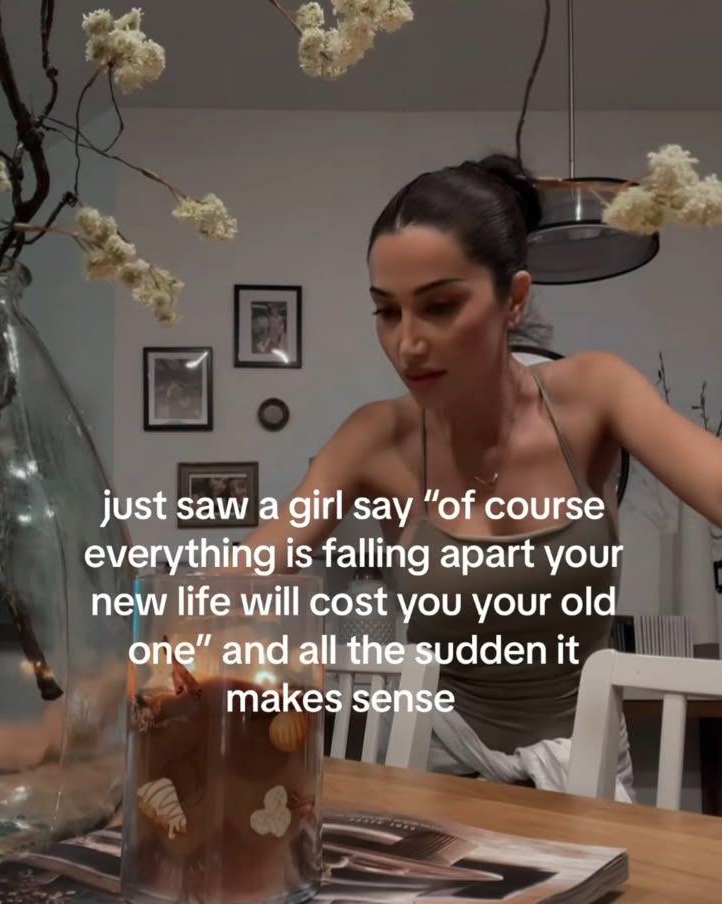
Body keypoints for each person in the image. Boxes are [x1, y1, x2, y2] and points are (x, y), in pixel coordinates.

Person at [238, 153, 722, 792]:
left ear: (513, 300)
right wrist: (108, 689)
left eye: (439, 307)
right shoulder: (373, 440)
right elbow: (233, 585)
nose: (407, 344)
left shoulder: (594, 392)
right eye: (388, 312)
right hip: (439, 770)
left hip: (586, 770)